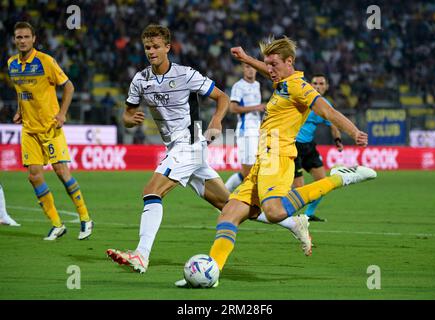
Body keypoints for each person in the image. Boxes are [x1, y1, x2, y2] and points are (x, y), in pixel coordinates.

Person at [106, 25, 310, 275]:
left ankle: (141, 254)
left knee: (152, 191)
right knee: (229, 204)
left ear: (168, 47)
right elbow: (126, 114)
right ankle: (293, 223)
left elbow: (222, 97)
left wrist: (216, 121)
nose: (151, 52)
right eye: (148, 47)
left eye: (156, 46)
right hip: (175, 147)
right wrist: (130, 119)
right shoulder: (140, 80)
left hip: (190, 142)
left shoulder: (186, 74)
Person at [176, 37, 377, 287]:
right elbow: (267, 69)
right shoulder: (281, 81)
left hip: (279, 156)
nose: (268, 69)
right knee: (228, 213)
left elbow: (329, 112)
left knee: (274, 212)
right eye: (267, 64)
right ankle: (212, 271)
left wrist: (354, 132)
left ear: (289, 62)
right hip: (263, 159)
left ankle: (340, 178)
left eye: (273, 64)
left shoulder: (300, 88)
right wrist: (248, 59)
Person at [8, 21, 93, 240]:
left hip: (50, 127)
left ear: (34, 39)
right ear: (14, 39)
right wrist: (19, 110)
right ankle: (57, 224)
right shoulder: (11, 64)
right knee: (34, 176)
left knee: (62, 173)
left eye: (26, 37)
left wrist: (62, 114)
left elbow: (69, 86)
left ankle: (85, 217)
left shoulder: (46, 61)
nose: (23, 40)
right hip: (29, 129)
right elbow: (22, 91)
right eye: (19, 37)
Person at [292, 74, 344, 222]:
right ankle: (283, 213)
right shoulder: (302, 99)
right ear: (310, 85)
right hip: (293, 146)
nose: (318, 86)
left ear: (326, 87)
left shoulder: (326, 106)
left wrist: (338, 141)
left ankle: (308, 214)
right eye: (315, 83)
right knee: (299, 187)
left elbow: (333, 125)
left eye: (321, 84)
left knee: (323, 182)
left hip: (309, 147)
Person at [224, 63, 265, 192]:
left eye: (253, 67)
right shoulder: (238, 86)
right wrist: (256, 107)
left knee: (253, 169)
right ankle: (246, 202)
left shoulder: (257, 85)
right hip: (245, 131)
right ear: (243, 69)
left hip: (257, 130)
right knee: (249, 170)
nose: (250, 70)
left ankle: (225, 192)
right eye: (247, 67)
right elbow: (232, 108)